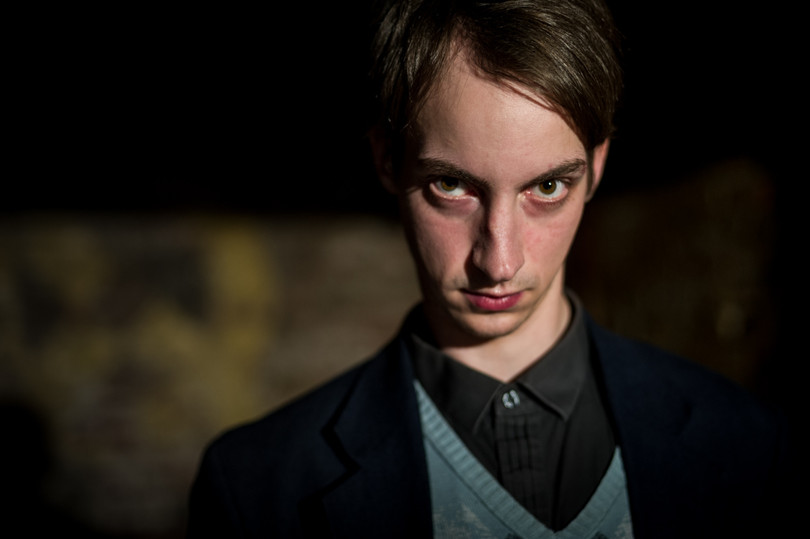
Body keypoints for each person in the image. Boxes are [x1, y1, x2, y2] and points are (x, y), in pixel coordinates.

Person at [187, 1, 792, 537]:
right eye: (452, 186)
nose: (499, 261)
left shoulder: (747, 444)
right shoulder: (257, 488)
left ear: (597, 167)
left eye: (547, 187)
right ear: (387, 161)